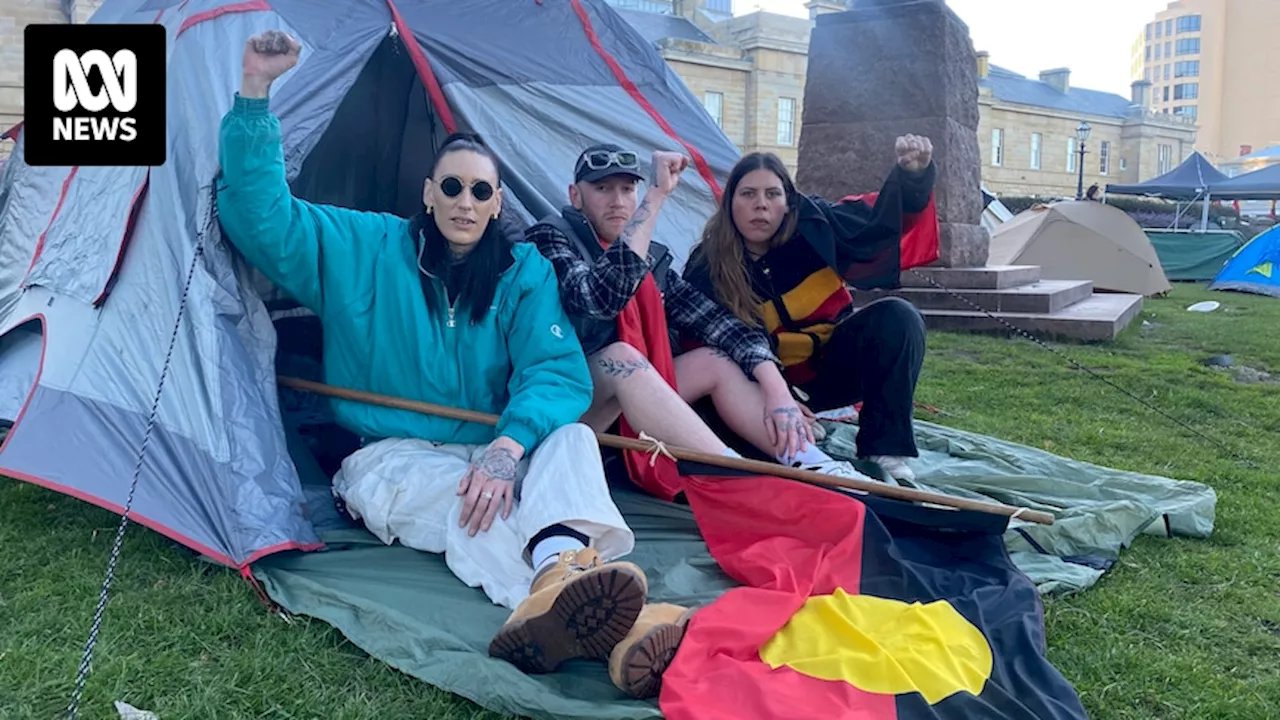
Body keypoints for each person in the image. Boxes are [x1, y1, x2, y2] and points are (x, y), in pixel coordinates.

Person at [218, 30, 681, 698]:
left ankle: (555, 592)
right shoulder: (365, 246)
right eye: (454, 187)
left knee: (574, 436)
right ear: (429, 193)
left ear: (497, 205)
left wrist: (507, 447)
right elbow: (263, 218)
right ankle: (615, 612)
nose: (467, 202)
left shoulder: (522, 271)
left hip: (492, 448)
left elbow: (553, 372)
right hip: (386, 455)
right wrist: (256, 93)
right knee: (483, 509)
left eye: (481, 192)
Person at [525, 144, 873, 503]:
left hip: (634, 400)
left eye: (628, 189)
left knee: (715, 357)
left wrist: (777, 391)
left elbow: (719, 323)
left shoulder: (652, 257)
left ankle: (808, 460)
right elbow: (597, 299)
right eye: (602, 188)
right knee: (622, 356)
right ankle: (734, 475)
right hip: (569, 403)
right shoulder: (550, 237)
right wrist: (658, 196)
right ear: (575, 196)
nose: (617, 201)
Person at [681, 136, 937, 482]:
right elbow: (710, 347)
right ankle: (791, 433)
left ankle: (885, 447)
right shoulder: (707, 266)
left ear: (788, 201)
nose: (761, 205)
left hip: (832, 367)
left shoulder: (816, 226)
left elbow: (879, 222)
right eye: (748, 194)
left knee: (898, 316)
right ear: (729, 203)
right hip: (759, 384)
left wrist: (914, 176)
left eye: (772, 194)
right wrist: (774, 397)